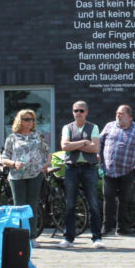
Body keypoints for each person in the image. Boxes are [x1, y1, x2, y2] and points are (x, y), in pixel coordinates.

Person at [98, 104, 135, 241]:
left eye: (121, 113)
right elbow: (98, 142)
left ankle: (122, 228)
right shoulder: (109, 126)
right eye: (117, 113)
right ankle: (106, 227)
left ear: (129, 116)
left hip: (127, 171)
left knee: (124, 200)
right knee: (108, 198)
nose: (118, 115)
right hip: (109, 170)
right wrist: (97, 156)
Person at [58, 101, 103, 247]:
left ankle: (97, 237)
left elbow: (95, 148)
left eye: (81, 111)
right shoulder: (67, 127)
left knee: (93, 203)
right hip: (72, 168)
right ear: (72, 112)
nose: (78, 113)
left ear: (86, 112)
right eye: (76, 110)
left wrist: (74, 144)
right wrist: (84, 142)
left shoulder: (94, 127)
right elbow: (64, 146)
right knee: (70, 203)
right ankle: (68, 238)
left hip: (89, 168)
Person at [0, 109, 50, 240]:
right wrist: (14, 163)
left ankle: (32, 236)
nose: (29, 122)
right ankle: (20, 237)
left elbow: (47, 151)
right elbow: (4, 157)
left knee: (32, 205)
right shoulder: (12, 137)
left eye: (32, 119)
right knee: (19, 206)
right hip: (17, 176)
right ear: (20, 121)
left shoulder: (38, 136)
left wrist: (46, 165)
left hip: (35, 174)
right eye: (27, 119)